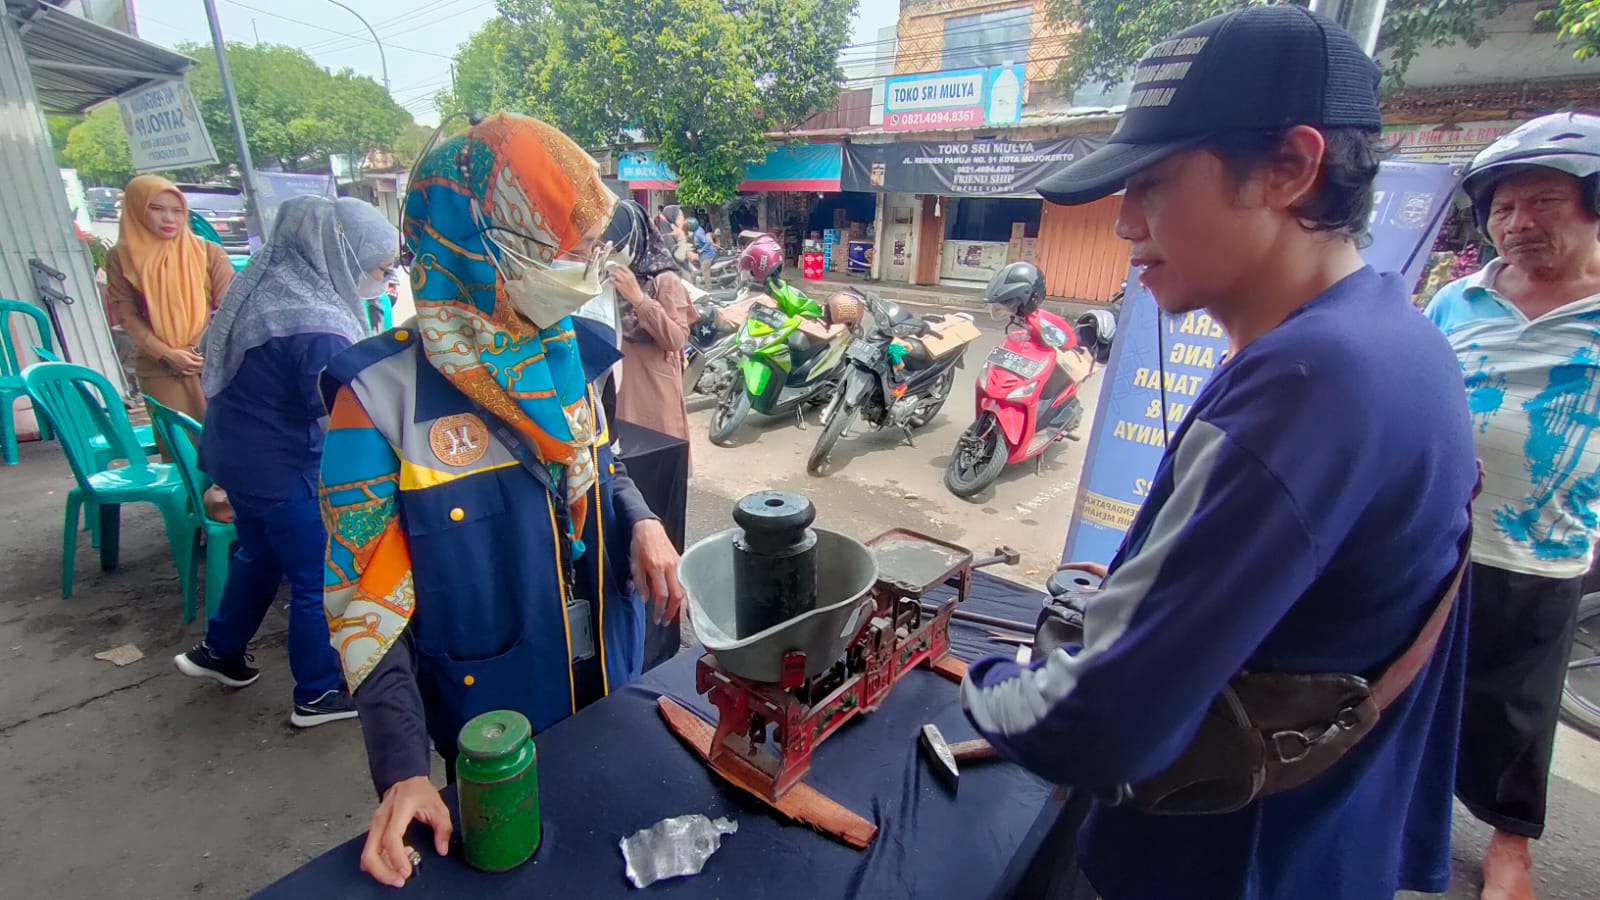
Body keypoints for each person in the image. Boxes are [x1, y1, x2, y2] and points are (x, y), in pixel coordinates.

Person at [958, 7, 1478, 899]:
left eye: (1153, 183)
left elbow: (1096, 727)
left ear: (1291, 168)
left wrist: (985, 684)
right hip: (1318, 841)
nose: (1125, 224)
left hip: (1218, 859)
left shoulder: (1308, 384)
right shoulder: (1396, 336)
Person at [317, 113, 684, 888]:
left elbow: (600, 465)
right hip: (496, 724)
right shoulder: (378, 400)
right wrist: (402, 771)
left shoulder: (571, 354)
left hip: (608, 677)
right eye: (573, 247)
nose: (591, 266)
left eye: (595, 246)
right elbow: (365, 603)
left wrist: (643, 520)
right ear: (486, 242)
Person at [1425, 112, 1600, 900]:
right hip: (1438, 541)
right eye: (1503, 208)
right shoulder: (1456, 302)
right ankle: (1407, 817)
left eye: (1543, 203)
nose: (1518, 223)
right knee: (1414, 689)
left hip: (1545, 549)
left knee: (1520, 714)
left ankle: (1509, 850)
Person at [173, 196, 397, 727]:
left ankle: (220, 651)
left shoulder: (276, 283)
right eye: (378, 265)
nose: (381, 277)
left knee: (259, 554)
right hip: (281, 462)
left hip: (238, 454)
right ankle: (318, 693)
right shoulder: (314, 322)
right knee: (315, 574)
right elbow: (334, 412)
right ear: (341, 252)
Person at [105, 175, 234, 423]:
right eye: (156, 209)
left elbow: (229, 309)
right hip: (159, 368)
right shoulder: (121, 257)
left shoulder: (208, 252)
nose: (169, 219)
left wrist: (197, 350)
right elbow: (127, 316)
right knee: (180, 449)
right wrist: (166, 354)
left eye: (177, 211)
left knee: (229, 446)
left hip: (211, 363)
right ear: (136, 210)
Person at [605, 200, 693, 449]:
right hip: (616, 391)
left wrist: (639, 300)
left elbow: (676, 339)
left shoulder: (663, 280)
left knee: (653, 464)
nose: (609, 250)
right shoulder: (605, 280)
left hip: (653, 394)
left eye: (616, 243)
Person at [689, 216, 717, 285]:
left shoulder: (698, 233)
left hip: (707, 254)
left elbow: (708, 242)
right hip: (703, 255)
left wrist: (702, 249)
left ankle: (709, 287)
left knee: (705, 271)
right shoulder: (697, 230)